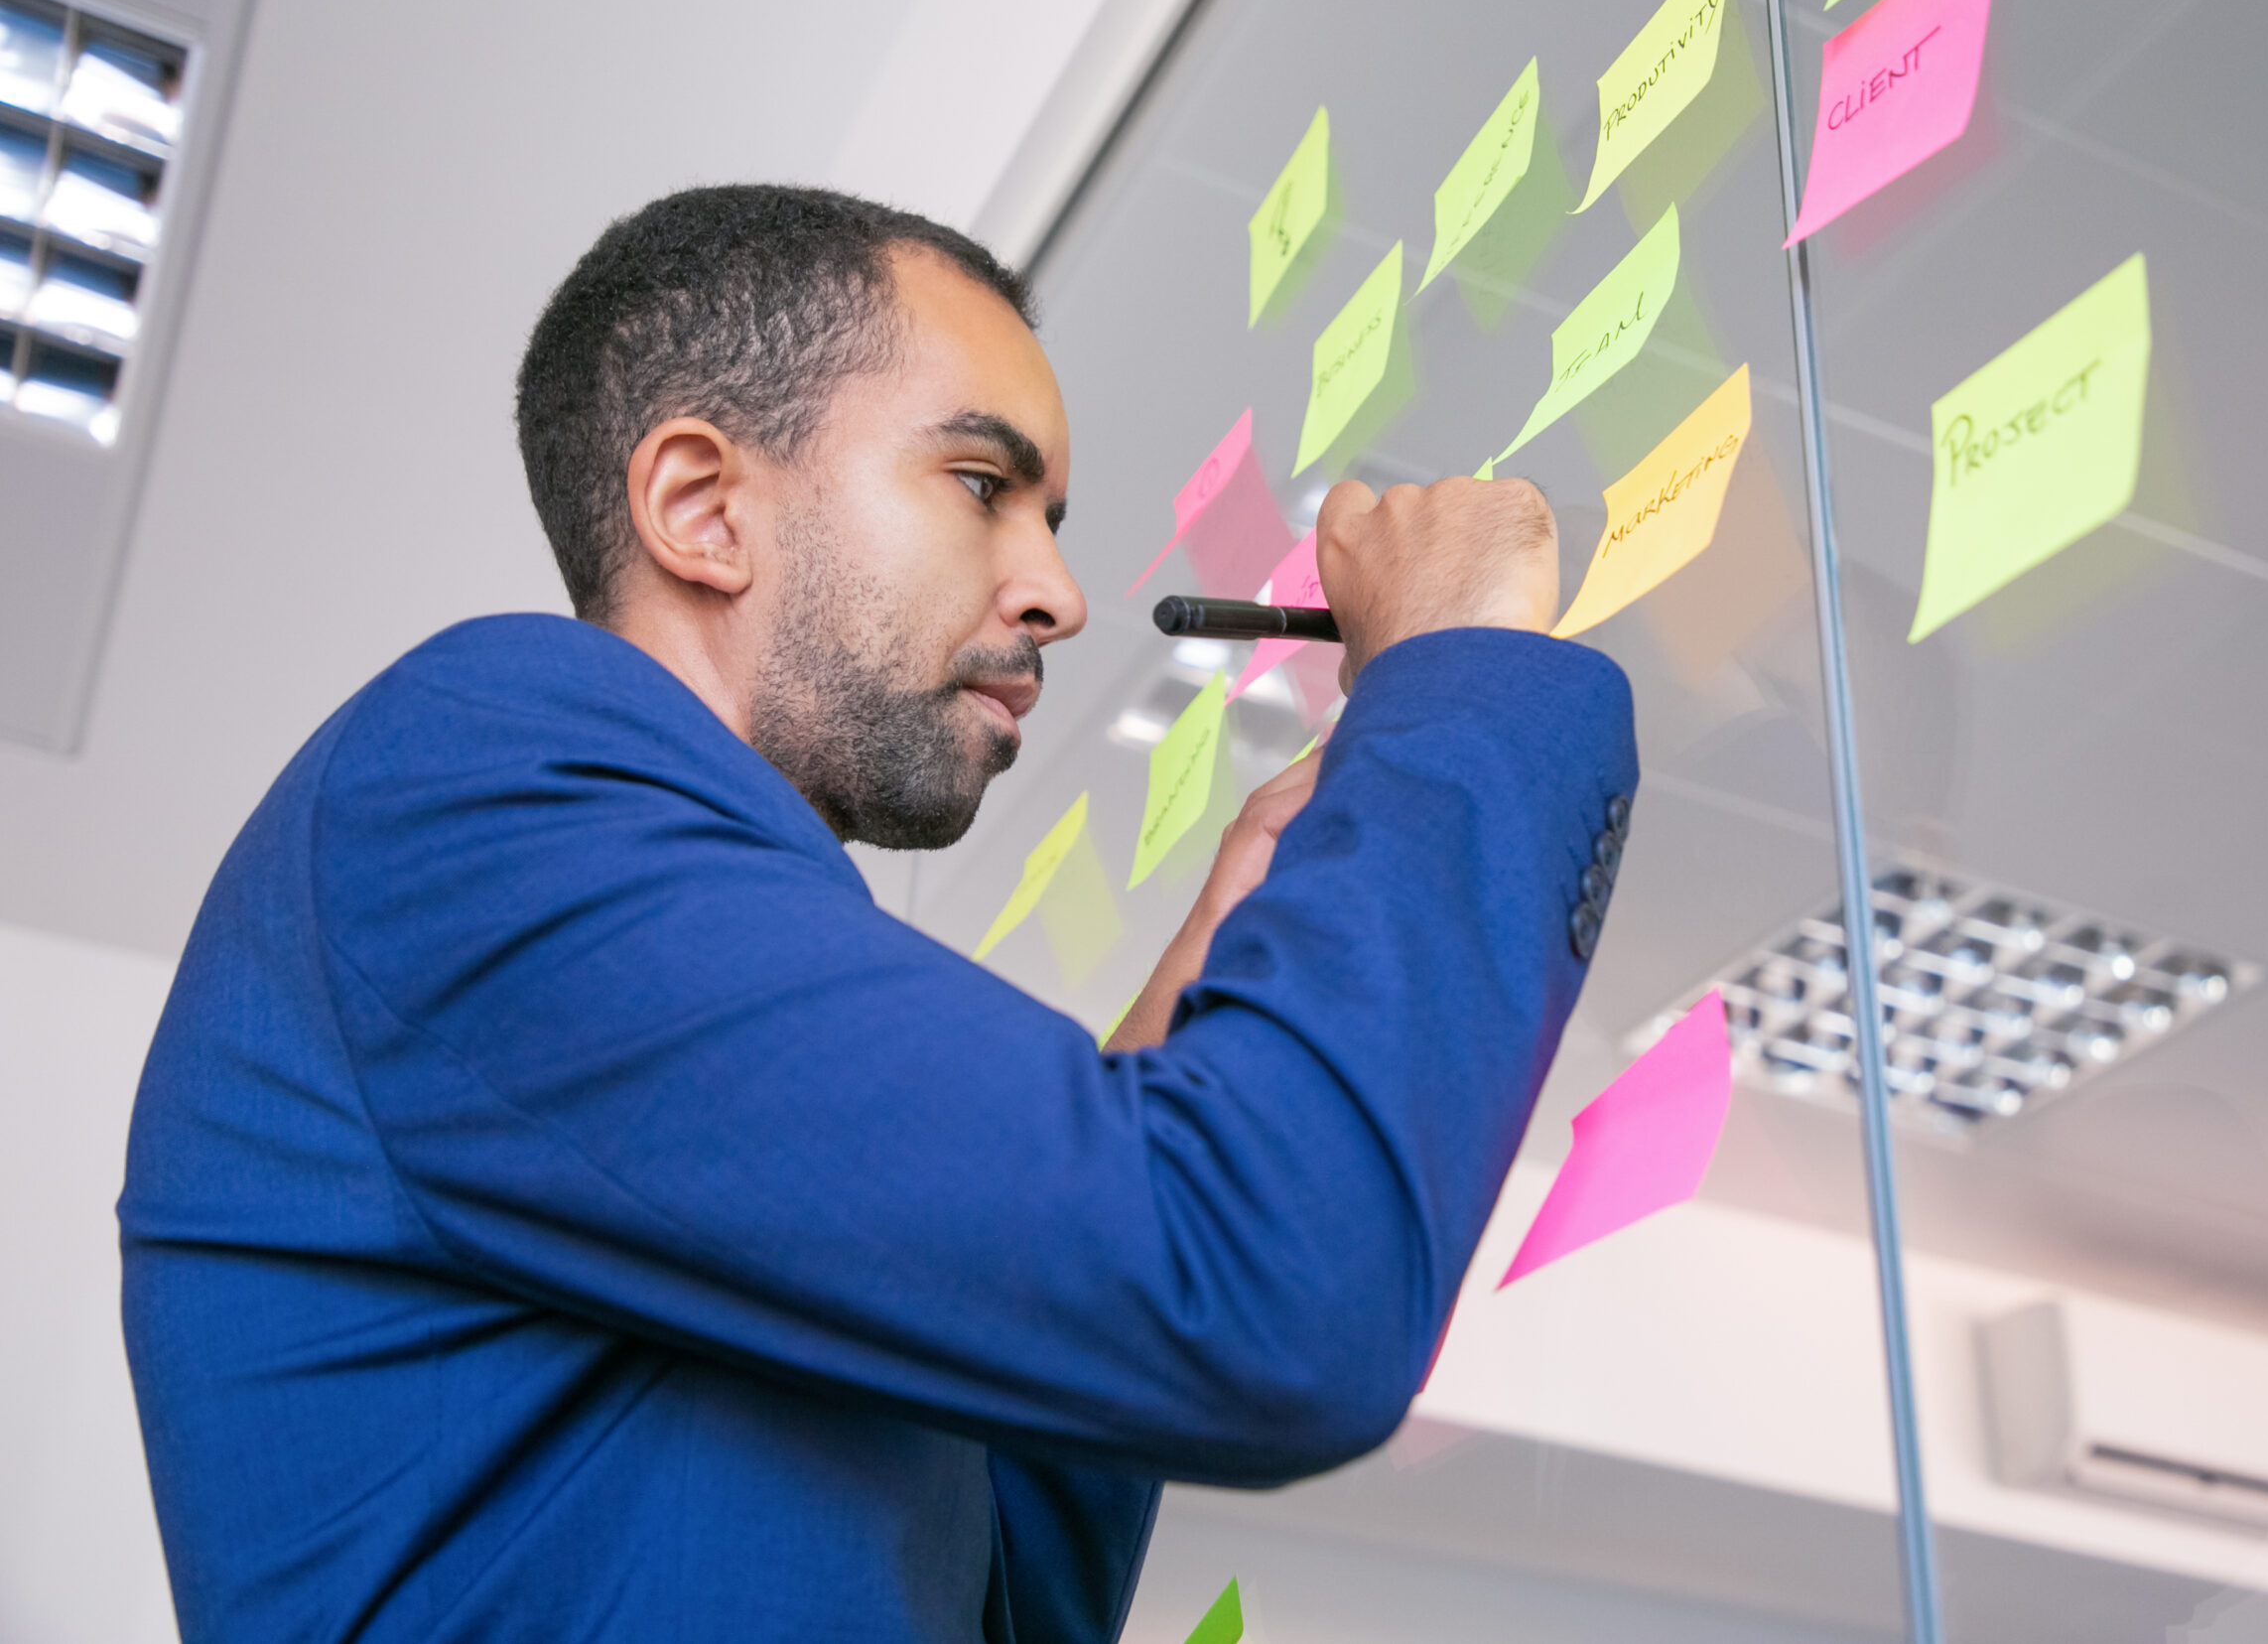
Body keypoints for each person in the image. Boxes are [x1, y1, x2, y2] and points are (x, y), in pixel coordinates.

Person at [120, 186, 1636, 1642]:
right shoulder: (482, 769)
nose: (1058, 590)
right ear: (702, 507)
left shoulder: (637, 942)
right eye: (984, 485)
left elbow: (1007, 1589)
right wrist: (1462, 679)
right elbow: (1269, 1301)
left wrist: (1217, 957)